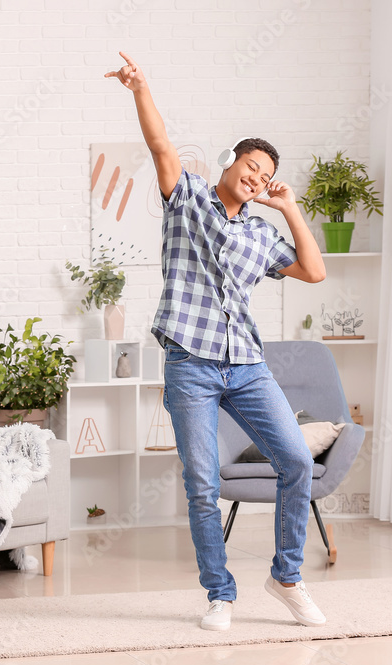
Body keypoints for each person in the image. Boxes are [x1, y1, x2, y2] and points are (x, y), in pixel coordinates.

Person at [105, 52, 328, 631]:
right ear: (231, 162)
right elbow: (160, 148)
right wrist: (140, 88)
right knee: (202, 484)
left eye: (265, 173)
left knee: (297, 462)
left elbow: (314, 271)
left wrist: (290, 207)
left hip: (248, 365)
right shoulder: (188, 199)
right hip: (190, 364)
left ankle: (286, 577)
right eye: (249, 165)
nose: (255, 176)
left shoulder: (261, 233)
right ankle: (220, 595)